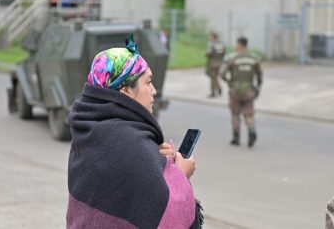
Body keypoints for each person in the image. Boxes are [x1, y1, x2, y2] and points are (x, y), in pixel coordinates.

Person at [67, 35, 203, 228]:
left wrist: (152, 161)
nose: (154, 90)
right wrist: (180, 175)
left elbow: (121, 191)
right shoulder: (129, 142)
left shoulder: (92, 131)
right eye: (147, 82)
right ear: (126, 91)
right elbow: (165, 220)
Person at [220, 37, 262, 147]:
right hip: (249, 90)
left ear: (239, 44)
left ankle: (236, 138)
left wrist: (229, 82)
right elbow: (259, 74)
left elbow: (222, 73)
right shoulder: (254, 58)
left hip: (235, 90)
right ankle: (251, 131)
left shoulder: (231, 58)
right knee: (249, 113)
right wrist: (257, 86)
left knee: (235, 114)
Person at [205, 32, 225, 98]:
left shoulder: (211, 44)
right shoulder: (221, 44)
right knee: (215, 77)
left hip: (212, 63)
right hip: (220, 62)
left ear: (213, 37)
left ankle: (213, 92)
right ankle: (218, 89)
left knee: (212, 77)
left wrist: (207, 55)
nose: (209, 38)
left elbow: (209, 53)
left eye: (210, 37)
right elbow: (224, 53)